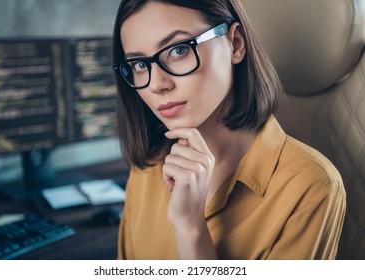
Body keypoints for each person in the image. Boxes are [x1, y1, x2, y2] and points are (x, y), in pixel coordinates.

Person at [111, 0, 346, 259]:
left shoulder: (312, 186)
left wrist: (190, 229)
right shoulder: (147, 168)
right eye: (140, 65)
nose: (157, 84)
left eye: (178, 50)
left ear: (235, 44)